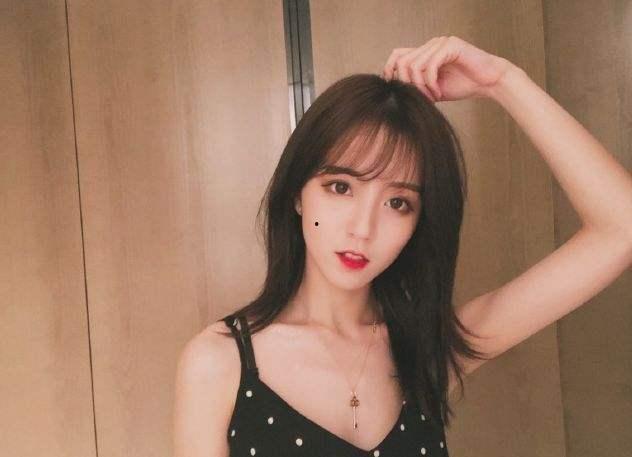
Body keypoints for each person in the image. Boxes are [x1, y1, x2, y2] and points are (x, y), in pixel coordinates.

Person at [173, 36, 632, 457]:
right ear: (297, 193)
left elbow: (621, 229)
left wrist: (502, 81)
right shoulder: (219, 363)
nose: (363, 228)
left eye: (398, 202)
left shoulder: (428, 350)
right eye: (340, 187)